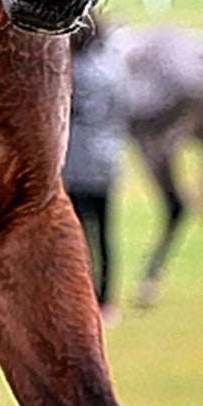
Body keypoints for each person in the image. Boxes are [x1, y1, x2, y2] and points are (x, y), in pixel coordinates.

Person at [64, 22, 128, 326]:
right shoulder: (112, 70)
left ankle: (78, 296)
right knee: (104, 234)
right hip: (107, 164)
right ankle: (106, 300)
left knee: (75, 237)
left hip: (75, 166)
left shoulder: (70, 74)